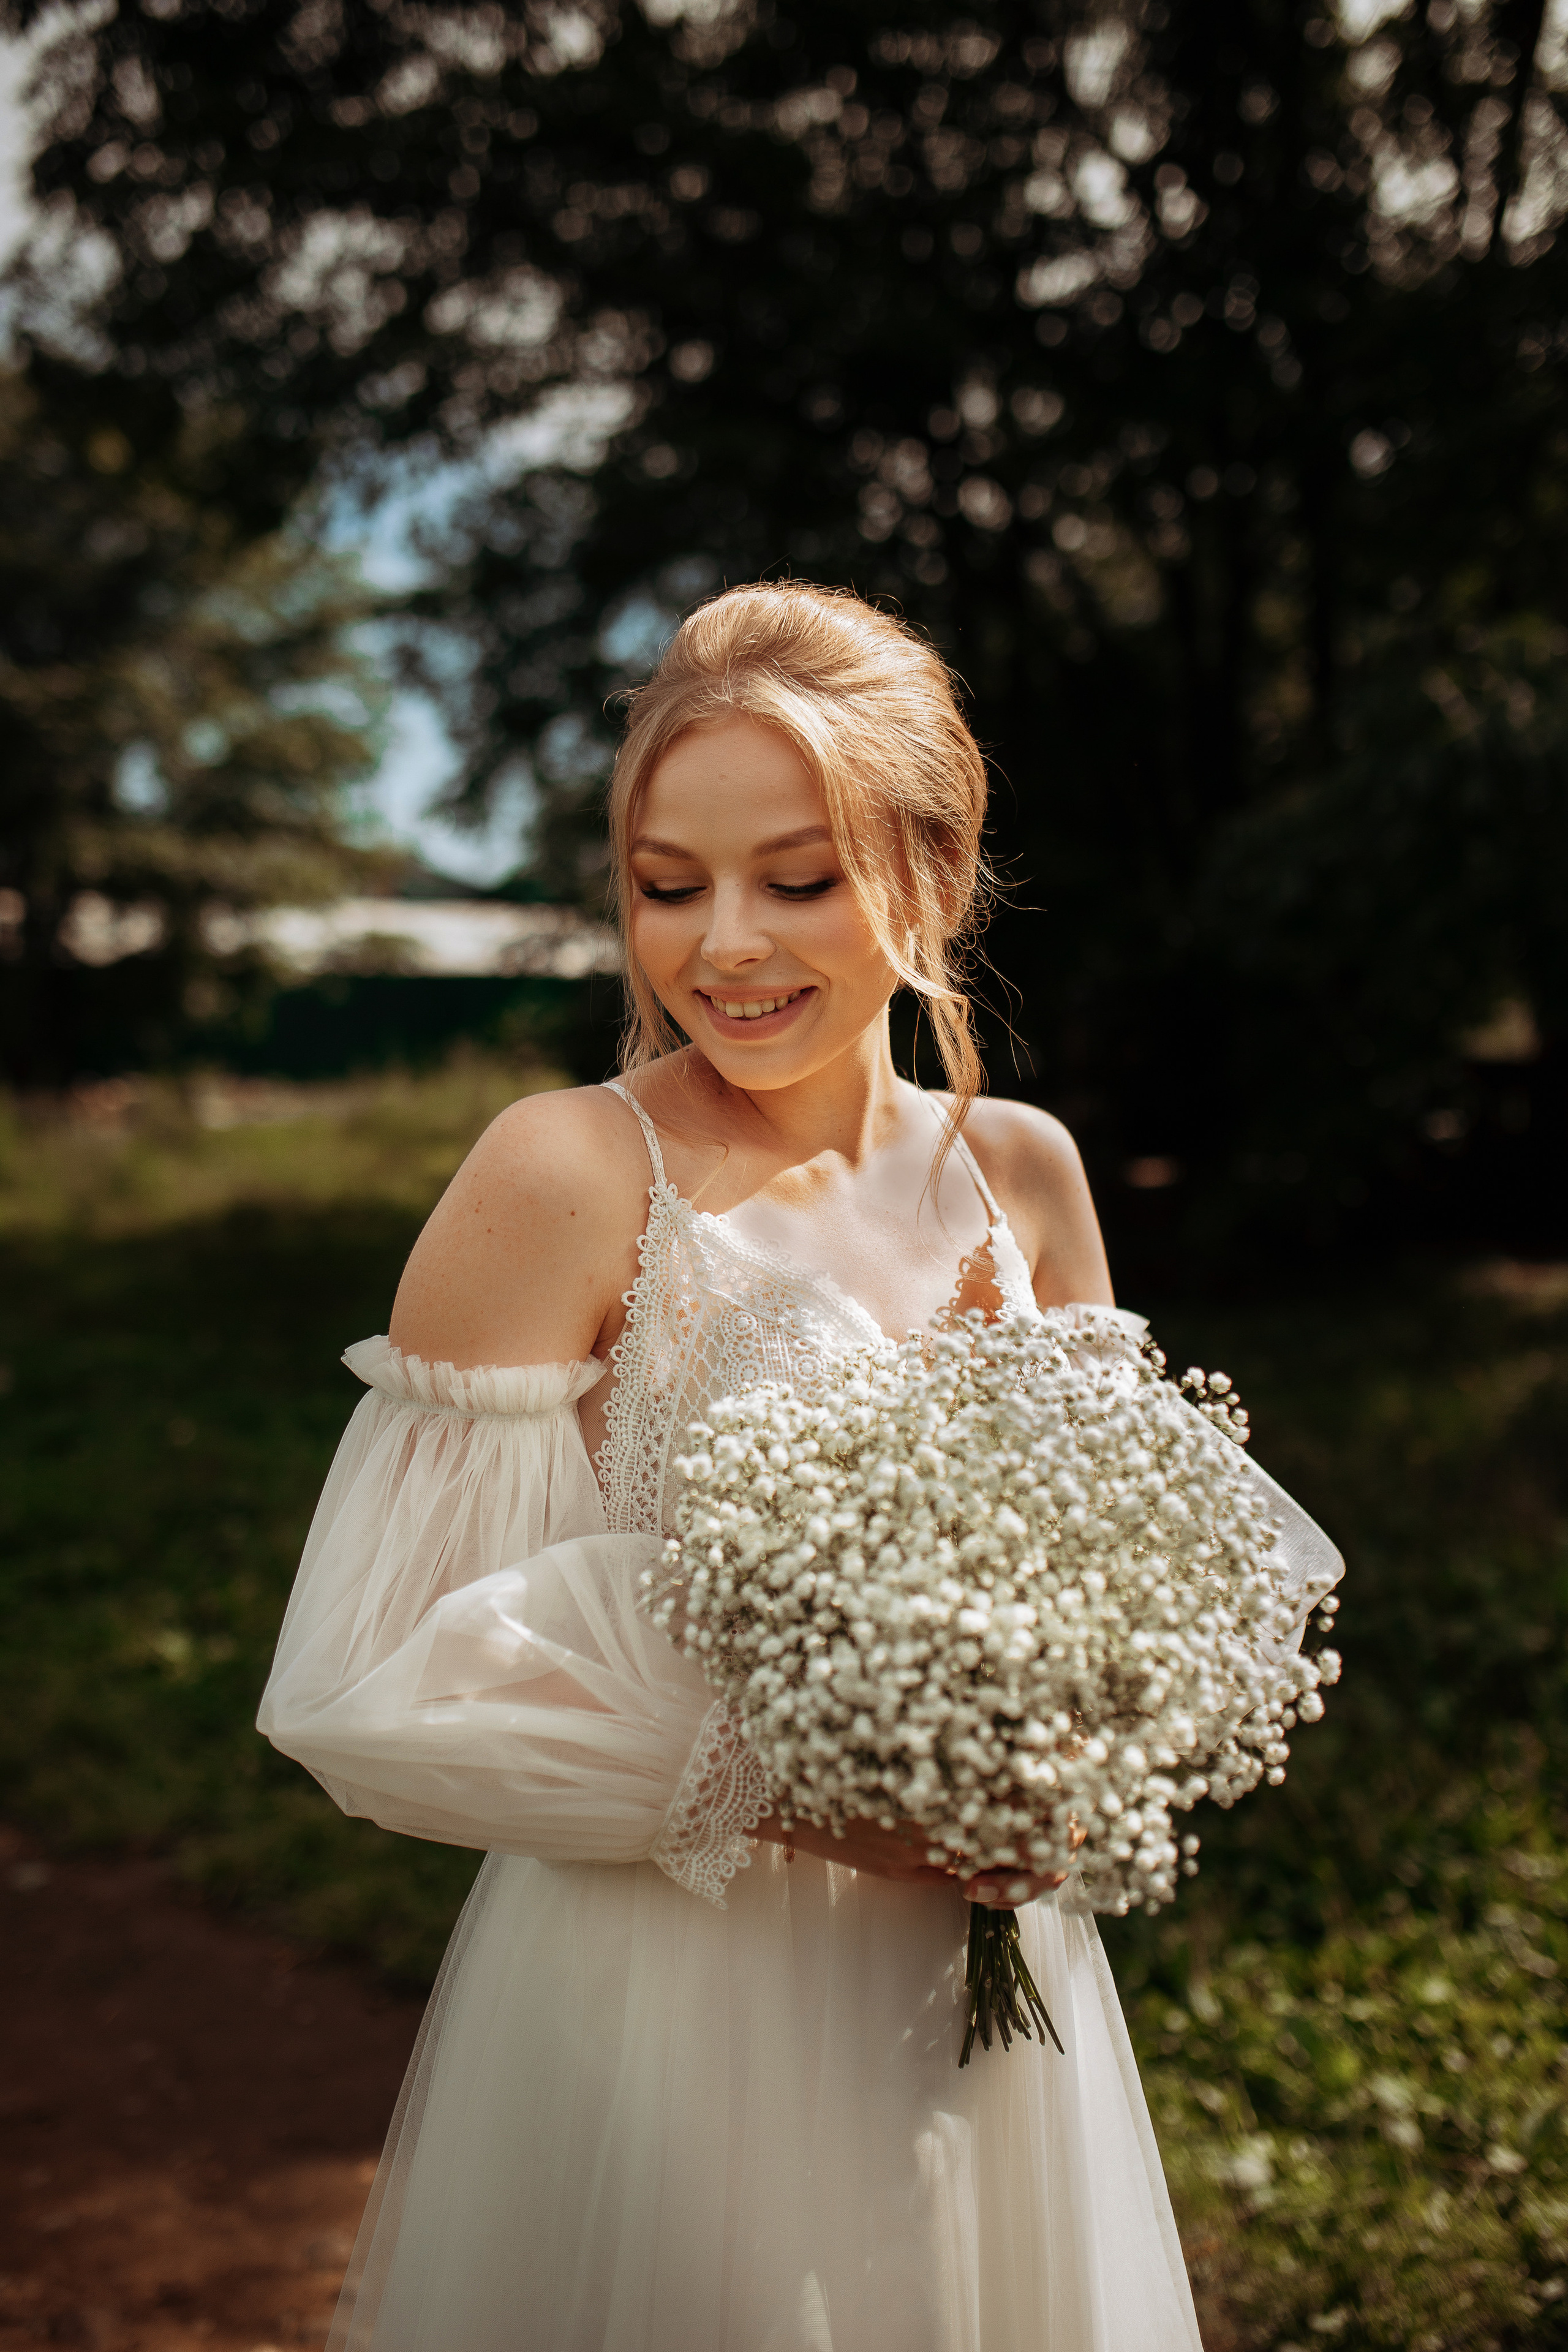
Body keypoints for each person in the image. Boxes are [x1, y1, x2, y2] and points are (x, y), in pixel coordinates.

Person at [260, 582, 1329, 2348]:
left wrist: (1069, 1759)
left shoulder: (1029, 1175)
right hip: (673, 2008)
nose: (725, 945)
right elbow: (376, 1674)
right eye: (669, 886)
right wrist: (838, 1803)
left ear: (933, 868)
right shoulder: (569, 1171)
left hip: (995, 2005)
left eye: (799, 875)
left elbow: (1106, 1579)